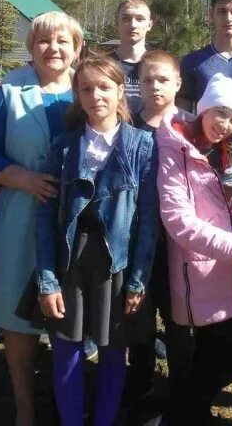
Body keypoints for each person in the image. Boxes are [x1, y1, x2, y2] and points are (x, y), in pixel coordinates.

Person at [34, 57, 159, 426]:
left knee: (112, 349)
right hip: (70, 260)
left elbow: (148, 220)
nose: (95, 96)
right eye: (86, 88)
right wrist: (47, 279)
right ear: (77, 95)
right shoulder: (64, 146)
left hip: (116, 263)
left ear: (121, 90)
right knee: (67, 348)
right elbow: (45, 216)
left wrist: (138, 279)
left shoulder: (141, 146)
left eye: (104, 87)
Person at [0, 11, 83, 426]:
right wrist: (19, 178)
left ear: (77, 48)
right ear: (30, 47)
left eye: (62, 41)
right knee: (17, 313)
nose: (53, 48)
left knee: (68, 310)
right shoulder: (11, 90)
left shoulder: (88, 88)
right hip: (21, 208)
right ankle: (25, 407)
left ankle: (67, 397)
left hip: (74, 215)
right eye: (43, 40)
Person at [157, 72, 232, 426]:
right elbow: (179, 221)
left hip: (224, 273)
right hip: (200, 274)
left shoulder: (218, 153)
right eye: (219, 112)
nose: (224, 124)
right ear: (204, 107)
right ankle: (178, 418)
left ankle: (189, 416)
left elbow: (226, 215)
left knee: (215, 359)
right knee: (227, 359)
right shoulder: (175, 149)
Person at [123, 50, 195, 419]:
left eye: (163, 79)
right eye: (147, 80)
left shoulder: (191, 126)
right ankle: (141, 382)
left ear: (177, 83)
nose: (155, 86)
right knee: (140, 316)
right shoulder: (129, 126)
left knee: (178, 316)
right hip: (140, 241)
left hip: (181, 243)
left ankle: (182, 388)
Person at [107, 0, 153, 113]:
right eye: (126, 18)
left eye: (140, 19)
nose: (133, 24)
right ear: (117, 23)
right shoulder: (103, 65)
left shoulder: (159, 66)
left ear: (149, 25)